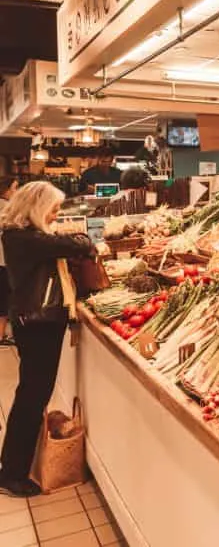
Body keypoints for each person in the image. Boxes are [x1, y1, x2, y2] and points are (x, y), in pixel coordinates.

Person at [0, 182, 97, 497]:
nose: (57, 214)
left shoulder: (27, 236)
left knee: (32, 393)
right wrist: (73, 239)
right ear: (36, 209)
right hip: (37, 323)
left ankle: (12, 465)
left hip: (35, 322)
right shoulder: (25, 239)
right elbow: (81, 243)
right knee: (33, 396)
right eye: (53, 208)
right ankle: (12, 474)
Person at [0, 177, 17, 346]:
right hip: (3, 260)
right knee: (4, 298)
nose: (16, 192)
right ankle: (1, 336)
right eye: (14, 188)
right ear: (5, 190)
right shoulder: (6, 208)